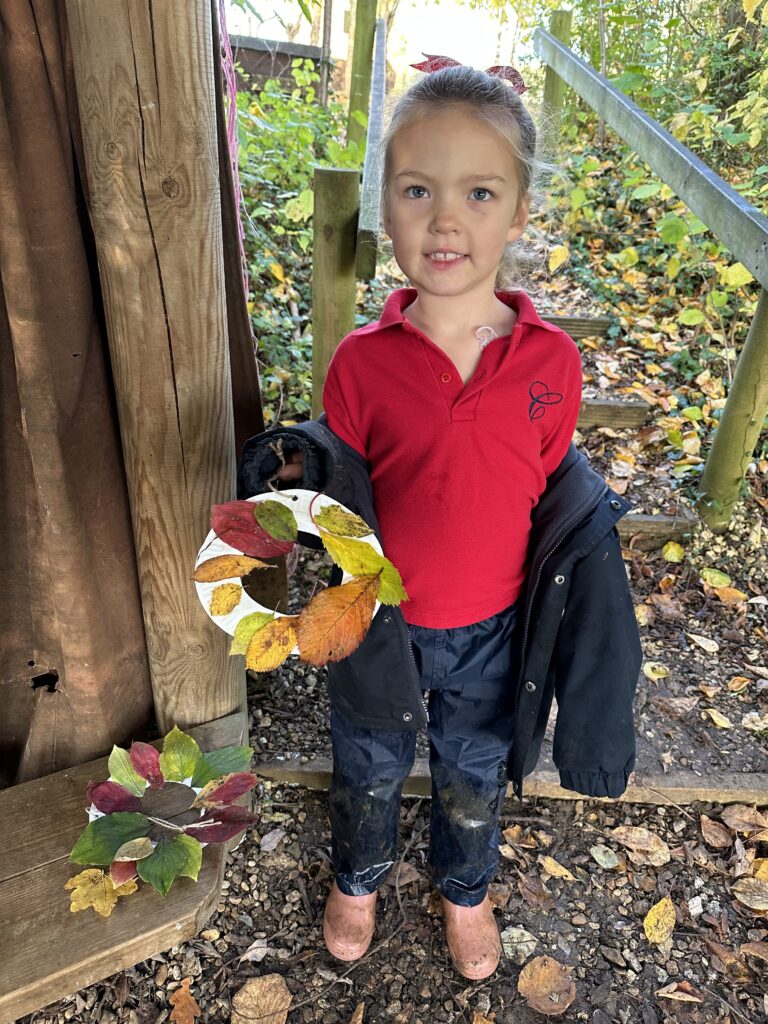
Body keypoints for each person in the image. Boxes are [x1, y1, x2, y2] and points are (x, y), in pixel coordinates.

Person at [239, 61, 641, 981]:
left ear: (520, 212)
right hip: (377, 622)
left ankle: (466, 886)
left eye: (479, 191)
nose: (445, 218)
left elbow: (542, 494)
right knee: (371, 757)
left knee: (473, 767)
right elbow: (348, 495)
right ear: (386, 207)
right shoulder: (362, 364)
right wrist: (298, 477)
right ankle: (360, 875)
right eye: (418, 189)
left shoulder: (553, 364)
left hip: (495, 627)